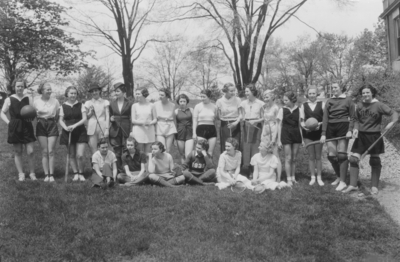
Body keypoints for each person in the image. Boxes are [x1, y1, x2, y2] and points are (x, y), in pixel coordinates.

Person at [344, 84, 398, 194]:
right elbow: (355, 119)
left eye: (367, 92)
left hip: (374, 136)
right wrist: (355, 128)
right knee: (353, 159)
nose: (365, 95)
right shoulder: (359, 105)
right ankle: (353, 185)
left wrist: (391, 122)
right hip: (361, 136)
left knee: (374, 160)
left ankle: (374, 186)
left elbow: (394, 113)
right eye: (363, 93)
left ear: (372, 93)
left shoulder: (379, 105)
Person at [320, 82, 355, 191]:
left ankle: (343, 182)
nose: (333, 89)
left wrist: (350, 130)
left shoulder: (348, 100)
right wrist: (323, 134)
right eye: (332, 87)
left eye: (335, 87)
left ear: (342, 88)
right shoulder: (329, 101)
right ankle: (339, 177)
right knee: (331, 155)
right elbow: (325, 118)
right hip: (331, 127)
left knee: (342, 156)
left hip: (343, 127)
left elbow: (353, 117)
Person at [0, 78, 36, 181]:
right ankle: (21, 174)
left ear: (24, 87)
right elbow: (2, 112)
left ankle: (32, 173)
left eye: (22, 86)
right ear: (14, 87)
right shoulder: (9, 99)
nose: (20, 88)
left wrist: (32, 117)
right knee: (18, 151)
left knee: (31, 151)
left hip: (27, 125)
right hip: (15, 126)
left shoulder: (29, 98)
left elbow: (33, 111)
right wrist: (8, 122)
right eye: (18, 86)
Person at [59, 86, 88, 182]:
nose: (73, 95)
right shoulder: (63, 106)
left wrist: (74, 126)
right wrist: (65, 128)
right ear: (67, 94)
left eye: (75, 93)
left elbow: (84, 119)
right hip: (68, 131)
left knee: (80, 155)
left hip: (80, 131)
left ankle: (81, 173)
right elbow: (60, 120)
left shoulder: (81, 105)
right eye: (71, 93)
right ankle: (75, 173)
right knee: (71, 154)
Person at [33, 82, 60, 181]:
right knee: (44, 152)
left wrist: (52, 122)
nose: (49, 91)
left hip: (52, 124)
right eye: (47, 89)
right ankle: (46, 175)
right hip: (41, 124)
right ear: (42, 91)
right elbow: (33, 115)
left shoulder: (55, 101)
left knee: (51, 151)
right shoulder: (36, 101)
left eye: (50, 89)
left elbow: (57, 114)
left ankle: (51, 175)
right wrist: (40, 122)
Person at [300, 86, 325, 186]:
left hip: (319, 133)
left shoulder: (322, 104)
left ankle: (319, 177)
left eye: (313, 93)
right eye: (310, 94)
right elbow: (302, 121)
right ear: (307, 94)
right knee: (311, 156)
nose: (312, 95)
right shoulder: (303, 105)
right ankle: (312, 177)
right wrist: (305, 127)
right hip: (308, 134)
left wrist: (319, 125)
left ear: (317, 94)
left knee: (318, 156)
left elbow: (325, 119)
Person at [277, 91, 303, 186]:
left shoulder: (299, 110)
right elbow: (279, 125)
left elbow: (299, 125)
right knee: (288, 158)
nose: (284, 101)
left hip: (296, 134)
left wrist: (302, 138)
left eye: (286, 100)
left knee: (294, 158)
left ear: (292, 100)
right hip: (286, 134)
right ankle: (288, 179)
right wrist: (279, 140)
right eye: (283, 100)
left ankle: (293, 177)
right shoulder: (282, 110)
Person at [240, 84, 264, 176]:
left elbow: (263, 118)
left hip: (257, 127)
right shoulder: (243, 103)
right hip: (246, 127)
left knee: (255, 147)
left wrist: (255, 121)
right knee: (246, 147)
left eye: (247, 91)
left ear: (253, 92)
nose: (246, 93)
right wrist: (242, 119)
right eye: (245, 91)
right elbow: (242, 115)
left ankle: (255, 170)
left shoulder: (260, 103)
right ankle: (248, 169)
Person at [109, 82, 132, 171]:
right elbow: (110, 115)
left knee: (127, 149)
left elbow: (132, 117)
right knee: (117, 150)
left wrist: (131, 130)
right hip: (115, 129)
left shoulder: (129, 103)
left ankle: (128, 169)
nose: (116, 93)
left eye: (118, 91)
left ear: (123, 92)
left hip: (126, 128)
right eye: (115, 91)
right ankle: (118, 170)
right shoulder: (112, 103)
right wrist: (111, 119)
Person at [261, 89, 282, 179]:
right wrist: (262, 134)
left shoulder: (276, 108)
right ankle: (267, 175)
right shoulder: (264, 107)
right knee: (264, 153)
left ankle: (279, 177)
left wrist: (274, 138)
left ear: (272, 97)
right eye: (264, 97)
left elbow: (278, 123)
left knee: (275, 155)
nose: (265, 98)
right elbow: (264, 121)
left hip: (273, 129)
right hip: (265, 130)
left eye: (267, 96)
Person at [84, 83, 110, 155]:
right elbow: (85, 117)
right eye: (92, 91)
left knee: (103, 147)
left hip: (102, 128)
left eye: (96, 90)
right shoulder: (87, 103)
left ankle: (104, 165)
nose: (94, 92)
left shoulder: (105, 102)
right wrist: (90, 113)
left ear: (99, 91)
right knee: (93, 149)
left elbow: (107, 116)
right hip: (91, 128)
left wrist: (107, 129)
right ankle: (95, 165)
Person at [216, 83, 242, 153]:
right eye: (231, 91)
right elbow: (218, 116)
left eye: (234, 90)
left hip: (235, 124)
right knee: (226, 143)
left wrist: (236, 123)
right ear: (225, 91)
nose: (233, 92)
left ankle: (237, 162)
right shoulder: (219, 101)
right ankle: (225, 161)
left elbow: (241, 114)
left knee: (235, 143)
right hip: (224, 124)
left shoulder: (238, 100)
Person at [193, 89, 218, 157]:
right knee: (201, 151)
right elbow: (195, 120)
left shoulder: (214, 106)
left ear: (209, 96)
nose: (202, 98)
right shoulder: (197, 106)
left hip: (212, 129)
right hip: (201, 129)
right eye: (201, 96)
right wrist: (194, 133)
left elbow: (215, 120)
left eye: (204, 96)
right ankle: (199, 167)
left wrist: (215, 131)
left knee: (210, 152)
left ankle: (210, 167)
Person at [131, 87, 156, 154]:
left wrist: (150, 123)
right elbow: (133, 120)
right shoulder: (134, 106)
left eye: (138, 94)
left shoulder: (152, 105)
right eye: (136, 94)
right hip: (138, 131)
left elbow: (155, 119)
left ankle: (148, 164)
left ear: (144, 94)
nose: (137, 95)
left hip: (149, 130)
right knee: (139, 152)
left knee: (148, 153)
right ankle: (139, 165)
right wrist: (142, 123)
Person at [154, 88, 177, 153]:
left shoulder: (172, 105)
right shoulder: (155, 104)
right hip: (159, 127)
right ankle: (161, 163)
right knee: (162, 148)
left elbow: (174, 119)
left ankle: (167, 163)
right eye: (159, 95)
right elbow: (154, 117)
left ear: (167, 96)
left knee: (168, 150)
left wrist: (175, 135)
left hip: (170, 127)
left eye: (162, 95)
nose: (160, 97)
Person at [174, 94, 194, 163]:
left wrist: (195, 133)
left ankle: (188, 169)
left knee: (188, 154)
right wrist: (174, 138)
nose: (182, 103)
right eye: (181, 101)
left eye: (184, 101)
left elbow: (194, 122)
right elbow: (174, 125)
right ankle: (183, 170)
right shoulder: (176, 111)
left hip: (189, 134)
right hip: (180, 134)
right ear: (178, 102)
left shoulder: (191, 110)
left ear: (186, 102)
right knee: (182, 154)